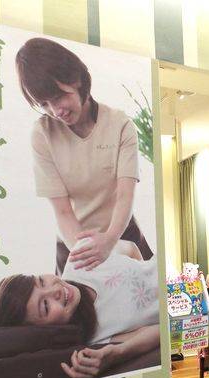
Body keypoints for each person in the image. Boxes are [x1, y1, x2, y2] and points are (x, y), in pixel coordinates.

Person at [15, 37, 153, 276]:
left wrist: (110, 240)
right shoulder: (42, 134)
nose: (55, 111)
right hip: (74, 243)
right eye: (44, 104)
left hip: (121, 232)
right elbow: (63, 211)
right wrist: (87, 254)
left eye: (58, 97)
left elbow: (125, 195)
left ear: (76, 80)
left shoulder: (120, 124)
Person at [0, 240, 159, 378]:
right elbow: (159, 330)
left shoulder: (80, 256)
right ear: (43, 330)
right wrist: (120, 352)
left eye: (41, 281)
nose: (55, 290)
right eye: (45, 306)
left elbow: (131, 249)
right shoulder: (94, 338)